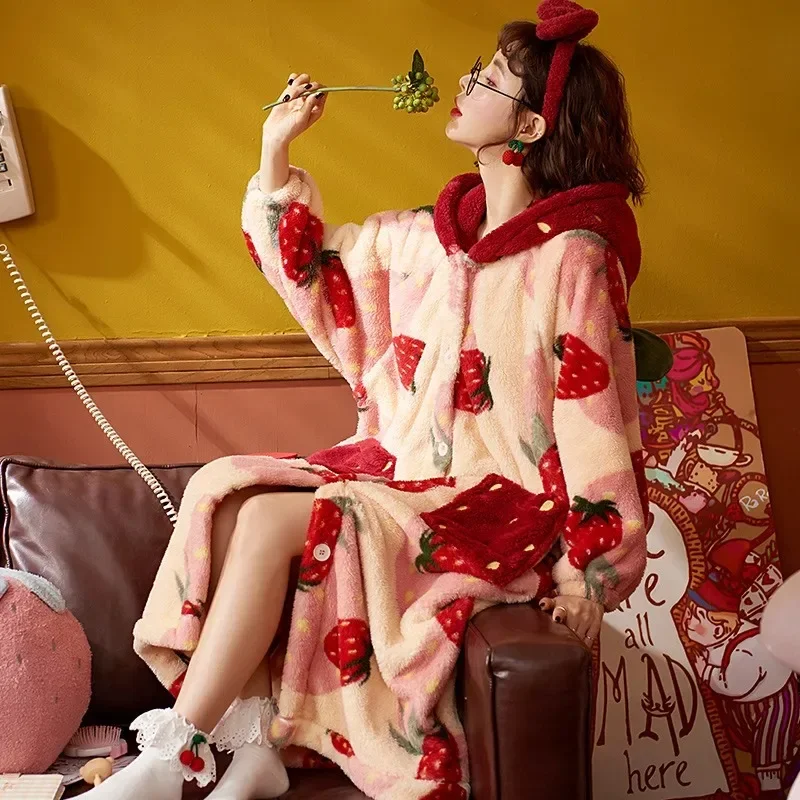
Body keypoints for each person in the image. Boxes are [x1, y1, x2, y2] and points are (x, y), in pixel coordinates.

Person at [87, 2, 649, 798]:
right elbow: (319, 276)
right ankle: (253, 749)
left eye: (489, 79)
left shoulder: (573, 261)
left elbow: (595, 422)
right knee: (234, 492)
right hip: (399, 474)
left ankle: (169, 758)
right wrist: (275, 152)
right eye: (475, 70)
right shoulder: (423, 240)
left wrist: (586, 576)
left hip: (493, 507)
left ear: (528, 127)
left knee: (281, 519)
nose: (465, 84)